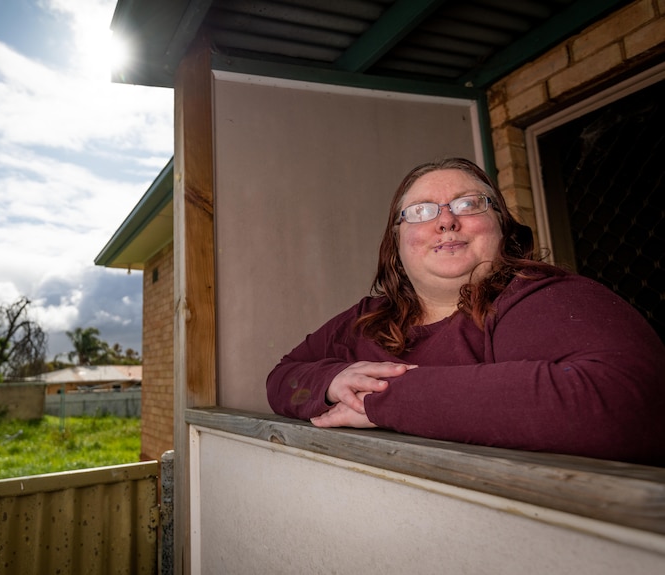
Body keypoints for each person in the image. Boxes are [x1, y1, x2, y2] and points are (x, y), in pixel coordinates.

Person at [266, 157, 665, 466]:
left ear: (503, 228)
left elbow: (629, 405)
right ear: (397, 243)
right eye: (421, 211)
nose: (446, 221)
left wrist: (383, 399)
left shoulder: (540, 297)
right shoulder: (365, 320)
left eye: (468, 204)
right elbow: (283, 381)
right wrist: (333, 379)